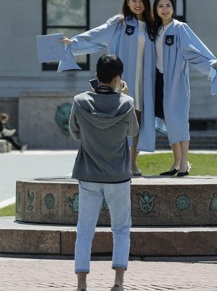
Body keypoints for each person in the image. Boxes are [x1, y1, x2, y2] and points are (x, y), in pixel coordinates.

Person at [60, 0, 155, 176]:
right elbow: (97, 33)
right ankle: (120, 162)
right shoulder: (119, 23)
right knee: (121, 120)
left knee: (137, 120)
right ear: (127, 2)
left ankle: (133, 163)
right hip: (121, 77)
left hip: (144, 79)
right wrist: (75, 42)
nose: (137, 4)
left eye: (141, 0)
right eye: (133, 0)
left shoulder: (152, 26)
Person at [68, 54, 139, 291]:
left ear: (97, 76)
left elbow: (75, 133)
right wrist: (122, 95)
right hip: (118, 175)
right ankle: (118, 282)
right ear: (118, 77)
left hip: (88, 173)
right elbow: (132, 132)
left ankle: (81, 283)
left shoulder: (79, 101)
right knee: (120, 229)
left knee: (84, 230)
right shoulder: (127, 102)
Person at [152, 0, 217, 177]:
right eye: (160, 6)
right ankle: (176, 162)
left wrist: (211, 63)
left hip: (176, 80)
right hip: (159, 80)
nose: (164, 9)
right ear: (155, 9)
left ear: (173, 8)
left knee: (179, 120)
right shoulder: (156, 30)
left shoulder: (180, 28)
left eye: (168, 6)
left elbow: (195, 49)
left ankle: (184, 164)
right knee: (168, 121)